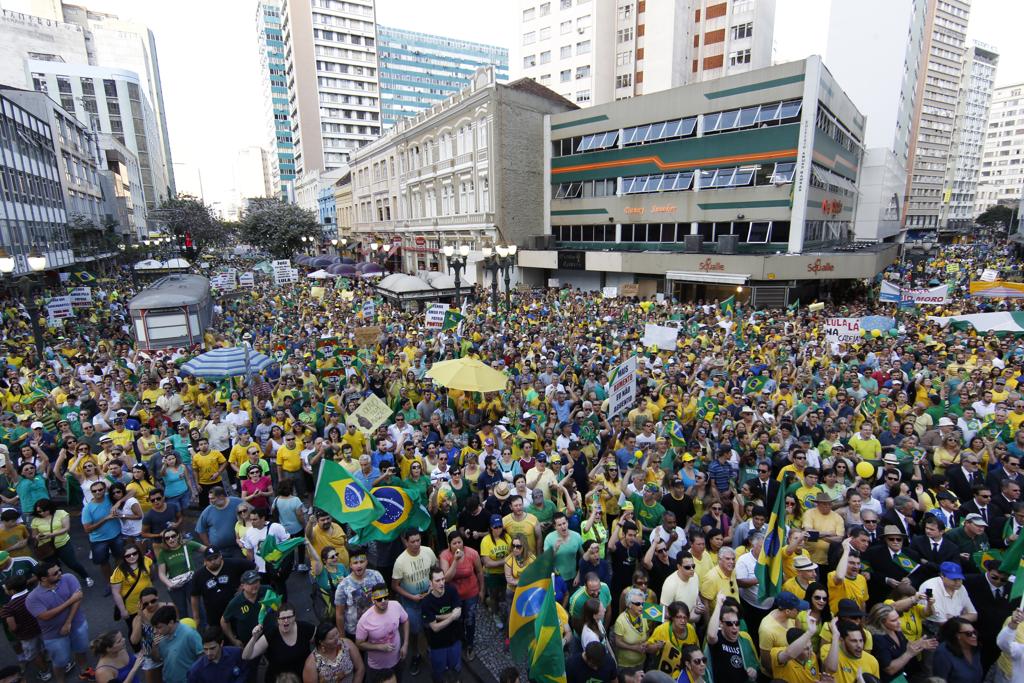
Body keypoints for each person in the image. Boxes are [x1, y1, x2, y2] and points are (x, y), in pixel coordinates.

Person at [25, 562, 90, 683]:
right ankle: (60, 680)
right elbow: (45, 616)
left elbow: (78, 599)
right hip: (54, 635)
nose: (60, 573)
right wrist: (70, 600)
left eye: (59, 570)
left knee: (81, 650)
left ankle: (84, 671)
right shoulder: (32, 598)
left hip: (77, 624)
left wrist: (68, 622)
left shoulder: (68, 578)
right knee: (60, 661)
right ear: (43, 578)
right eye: (55, 573)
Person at [390, 529, 435, 676]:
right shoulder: (400, 561)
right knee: (414, 631)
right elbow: (395, 586)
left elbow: (435, 568)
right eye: (412, 541)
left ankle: (428, 649)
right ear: (406, 542)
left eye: (418, 540)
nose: (416, 544)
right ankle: (415, 655)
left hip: (428, 599)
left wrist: (432, 582)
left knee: (429, 626)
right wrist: (411, 596)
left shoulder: (428, 551)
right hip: (411, 603)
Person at [241, 603, 315, 683]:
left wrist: (314, 659)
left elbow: (323, 640)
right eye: (282, 618)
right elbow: (246, 656)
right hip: (279, 680)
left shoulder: (304, 628)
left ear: (294, 617)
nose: (286, 621)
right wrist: (254, 637)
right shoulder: (272, 634)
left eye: (289, 617)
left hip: (303, 677)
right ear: (277, 619)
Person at [438, 530, 483, 660]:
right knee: (457, 620)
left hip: (471, 592)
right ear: (449, 545)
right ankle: (459, 641)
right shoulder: (445, 556)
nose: (457, 545)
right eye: (454, 543)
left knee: (470, 619)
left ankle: (469, 645)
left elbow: (479, 572)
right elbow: (446, 578)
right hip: (454, 595)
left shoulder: (472, 553)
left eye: (459, 542)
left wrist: (482, 589)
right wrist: (455, 561)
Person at [866, 602, 936, 683]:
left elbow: (906, 645)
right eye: (893, 620)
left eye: (898, 618)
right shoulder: (877, 639)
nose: (899, 622)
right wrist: (909, 654)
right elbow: (889, 669)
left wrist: (919, 644)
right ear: (882, 622)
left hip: (902, 677)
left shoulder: (896, 630)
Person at [189, 548, 256, 631]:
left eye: (215, 558)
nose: (213, 561)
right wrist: (196, 617)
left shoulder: (233, 563)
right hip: (214, 614)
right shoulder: (198, 575)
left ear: (220, 556)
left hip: (237, 609)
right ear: (205, 561)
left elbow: (254, 567)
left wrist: (244, 586)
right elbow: (194, 596)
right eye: (209, 559)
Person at [0, 574, 51, 682]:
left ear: (12, 591)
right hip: (43, 628)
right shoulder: (35, 595)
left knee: (34, 655)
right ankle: (55, 661)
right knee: (49, 646)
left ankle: (45, 672)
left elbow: (12, 627)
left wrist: (13, 629)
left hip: (26, 635)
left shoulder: (8, 608)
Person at [30, 499, 92, 587]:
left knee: (72, 563)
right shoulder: (36, 520)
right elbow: (34, 535)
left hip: (63, 543)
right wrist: (37, 537)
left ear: (50, 508)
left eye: (44, 510)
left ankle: (86, 576)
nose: (42, 513)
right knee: (54, 568)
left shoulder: (61, 513)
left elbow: (66, 528)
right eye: (39, 511)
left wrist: (50, 535)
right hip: (46, 547)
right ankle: (62, 584)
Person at [421, 564, 463, 682]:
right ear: (430, 582)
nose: (441, 583)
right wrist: (451, 617)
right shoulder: (426, 603)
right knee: (439, 671)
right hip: (437, 645)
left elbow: (458, 613)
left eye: (443, 579)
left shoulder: (451, 591)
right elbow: (435, 628)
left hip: (454, 639)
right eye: (437, 580)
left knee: (455, 667)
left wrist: (437, 616)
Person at [355, 584, 408, 676]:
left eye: (385, 597)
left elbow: (405, 620)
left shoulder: (396, 605)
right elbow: (359, 643)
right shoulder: (365, 620)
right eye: (379, 599)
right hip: (377, 667)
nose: (383, 601)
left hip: (398, 660)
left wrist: (406, 644)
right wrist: (379, 647)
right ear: (373, 600)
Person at [81, 479, 123, 593]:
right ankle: (110, 583)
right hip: (98, 540)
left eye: (100, 489)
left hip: (116, 535)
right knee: (103, 562)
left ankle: (121, 578)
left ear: (104, 490)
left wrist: (119, 502)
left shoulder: (111, 497)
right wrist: (105, 519)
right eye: (94, 491)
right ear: (91, 492)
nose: (97, 492)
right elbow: (87, 529)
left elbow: (131, 491)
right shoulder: (87, 509)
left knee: (119, 557)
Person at [150, 606, 203, 683]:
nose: (155, 631)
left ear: (171, 623)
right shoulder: (160, 637)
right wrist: (154, 647)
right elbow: (157, 659)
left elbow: (202, 658)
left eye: (159, 627)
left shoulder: (190, 634)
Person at [646, 601, 698, 678]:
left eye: (685, 617)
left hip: (684, 674)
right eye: (679, 617)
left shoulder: (691, 629)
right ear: (672, 617)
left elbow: (697, 650)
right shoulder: (661, 629)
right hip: (663, 675)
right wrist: (657, 646)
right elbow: (647, 648)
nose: (683, 621)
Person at [934, 616, 984, 683]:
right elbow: (939, 680)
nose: (974, 636)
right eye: (969, 634)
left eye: (974, 632)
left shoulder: (975, 649)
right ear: (958, 636)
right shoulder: (943, 653)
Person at [612, 587, 649, 675]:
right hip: (626, 665)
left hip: (641, 662)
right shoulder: (620, 621)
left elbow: (647, 632)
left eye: (643, 604)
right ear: (629, 604)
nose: (641, 606)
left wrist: (646, 642)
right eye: (637, 604)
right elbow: (617, 642)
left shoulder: (643, 615)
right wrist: (634, 648)